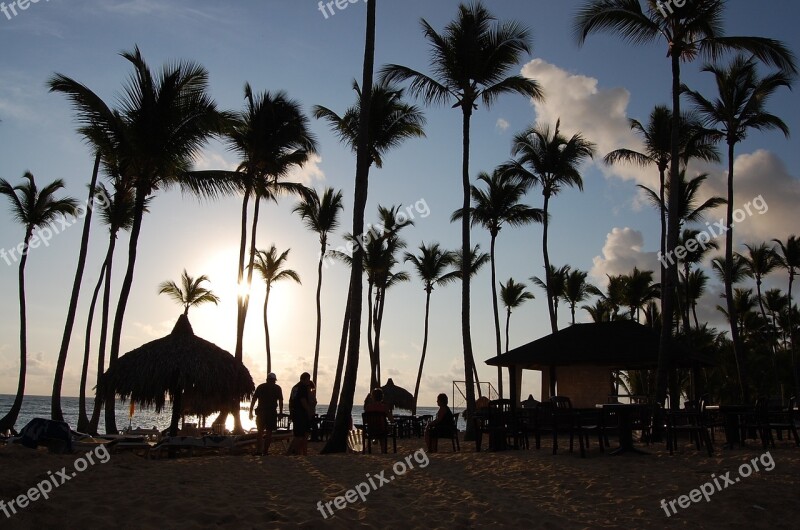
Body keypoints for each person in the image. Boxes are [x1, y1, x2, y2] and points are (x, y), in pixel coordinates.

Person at [249, 372, 283, 456]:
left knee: (260, 432)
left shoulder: (261, 387)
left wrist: (250, 411)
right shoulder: (277, 388)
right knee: (269, 432)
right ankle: (265, 451)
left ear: (267, 379)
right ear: (274, 380)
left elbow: (254, 400)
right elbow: (281, 401)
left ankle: (258, 451)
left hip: (261, 412)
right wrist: (281, 413)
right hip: (271, 412)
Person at [287, 372, 314, 455]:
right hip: (301, 413)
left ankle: (299, 452)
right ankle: (293, 452)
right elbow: (303, 401)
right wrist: (309, 411)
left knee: (300, 434)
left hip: (295, 412)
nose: (309, 381)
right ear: (306, 379)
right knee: (300, 435)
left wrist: (291, 412)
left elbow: (290, 401)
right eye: (308, 379)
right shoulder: (302, 387)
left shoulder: (295, 387)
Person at [364, 388, 392, 453]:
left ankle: (374, 440)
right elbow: (391, 419)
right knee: (384, 433)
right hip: (382, 429)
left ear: (372, 397)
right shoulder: (384, 407)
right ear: (382, 397)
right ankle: (383, 450)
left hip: (371, 429)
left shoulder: (368, 407)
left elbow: (365, 420)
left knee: (376, 431)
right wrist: (392, 422)